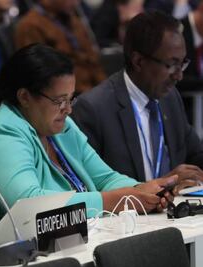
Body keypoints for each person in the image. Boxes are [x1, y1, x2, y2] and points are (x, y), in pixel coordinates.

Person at [0, 43, 176, 232]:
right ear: (25, 97)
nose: (68, 109)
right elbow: (28, 206)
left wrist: (143, 191)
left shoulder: (61, 126)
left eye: (71, 98)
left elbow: (104, 178)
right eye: (59, 101)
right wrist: (110, 201)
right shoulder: (0, 131)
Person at [72, 11, 203, 193]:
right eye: (171, 65)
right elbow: (89, 188)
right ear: (139, 61)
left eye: (182, 64)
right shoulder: (93, 109)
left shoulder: (170, 98)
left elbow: (196, 155)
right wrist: (162, 183)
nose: (179, 75)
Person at [15, 0, 106, 94]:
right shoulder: (29, 26)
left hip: (93, 92)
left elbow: (94, 60)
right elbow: (39, 76)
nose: (76, 2)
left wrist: (104, 89)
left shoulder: (73, 20)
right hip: (66, 98)